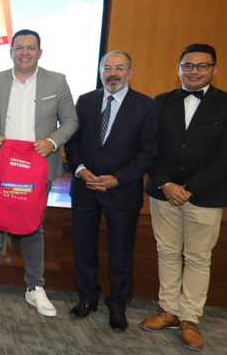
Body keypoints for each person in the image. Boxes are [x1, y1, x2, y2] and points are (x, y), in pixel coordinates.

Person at [140, 44, 227, 351]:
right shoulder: (160, 102)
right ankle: (169, 310)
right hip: (163, 192)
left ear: (215, 69)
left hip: (206, 195)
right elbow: (150, 149)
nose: (195, 71)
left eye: (202, 66)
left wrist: (189, 188)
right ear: (178, 69)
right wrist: (167, 184)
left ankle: (190, 318)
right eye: (188, 65)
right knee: (167, 251)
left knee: (199, 258)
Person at [0, 29, 78, 316]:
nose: (25, 52)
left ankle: (35, 287)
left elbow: (70, 121)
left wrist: (53, 142)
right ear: (11, 51)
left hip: (37, 168)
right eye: (19, 47)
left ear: (40, 52)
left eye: (31, 48)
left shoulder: (57, 80)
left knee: (34, 226)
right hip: (2, 166)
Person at [64, 50, 158, 331]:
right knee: (83, 248)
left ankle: (118, 305)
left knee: (120, 251)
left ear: (130, 72)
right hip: (84, 187)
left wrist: (117, 179)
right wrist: (79, 169)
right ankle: (87, 297)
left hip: (122, 191)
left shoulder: (146, 106)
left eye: (119, 68)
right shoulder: (86, 101)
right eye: (107, 68)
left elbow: (148, 153)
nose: (112, 73)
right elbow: (73, 141)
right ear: (101, 71)